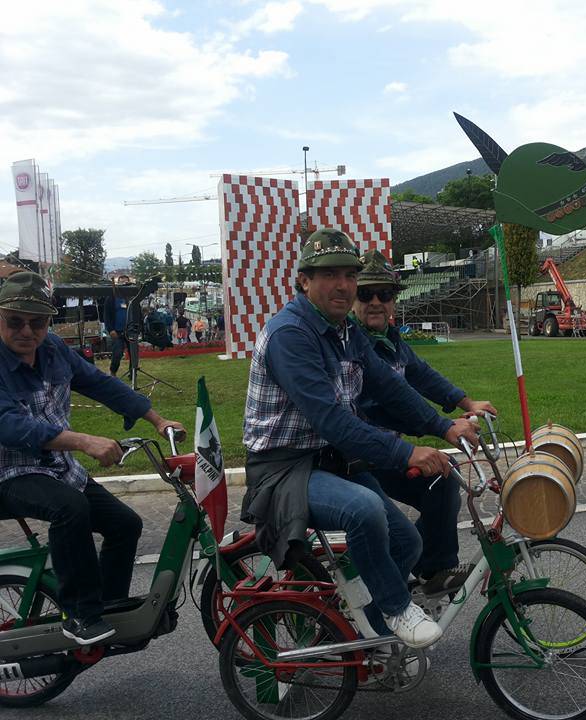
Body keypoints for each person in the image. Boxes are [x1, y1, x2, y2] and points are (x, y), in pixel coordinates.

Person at [240, 228, 479, 649]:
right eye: (330, 274)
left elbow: (391, 385)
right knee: (364, 510)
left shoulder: (347, 332)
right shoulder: (291, 335)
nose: (344, 286)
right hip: (283, 468)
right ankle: (396, 608)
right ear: (304, 280)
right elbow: (331, 419)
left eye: (349, 275)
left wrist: (445, 425)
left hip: (330, 459)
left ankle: (364, 632)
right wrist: (407, 450)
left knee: (407, 540)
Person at [0, 272, 184, 645]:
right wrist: (83, 441)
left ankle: (109, 608)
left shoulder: (52, 349)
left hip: (57, 469)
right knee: (70, 510)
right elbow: (10, 425)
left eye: (37, 322)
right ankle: (81, 615)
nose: (26, 330)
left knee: (125, 524)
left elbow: (101, 384)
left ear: (49, 322)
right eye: (14, 321)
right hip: (10, 472)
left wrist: (157, 419)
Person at [352, 250, 497, 595]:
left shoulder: (390, 340)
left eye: (385, 295)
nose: (376, 302)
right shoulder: (356, 343)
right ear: (354, 300)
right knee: (402, 537)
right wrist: (443, 427)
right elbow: (387, 402)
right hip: (363, 453)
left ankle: (433, 568)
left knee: (443, 479)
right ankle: (381, 599)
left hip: (390, 452)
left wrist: (467, 403)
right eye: (366, 294)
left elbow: (422, 375)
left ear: (394, 302)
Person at [103, 274, 133, 377]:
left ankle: (133, 373)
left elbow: (137, 313)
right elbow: (106, 316)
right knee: (118, 353)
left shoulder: (132, 298)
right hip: (117, 331)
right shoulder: (111, 298)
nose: (124, 285)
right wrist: (111, 329)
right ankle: (113, 372)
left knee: (134, 354)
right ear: (118, 284)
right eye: (122, 283)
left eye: (126, 283)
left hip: (130, 331)